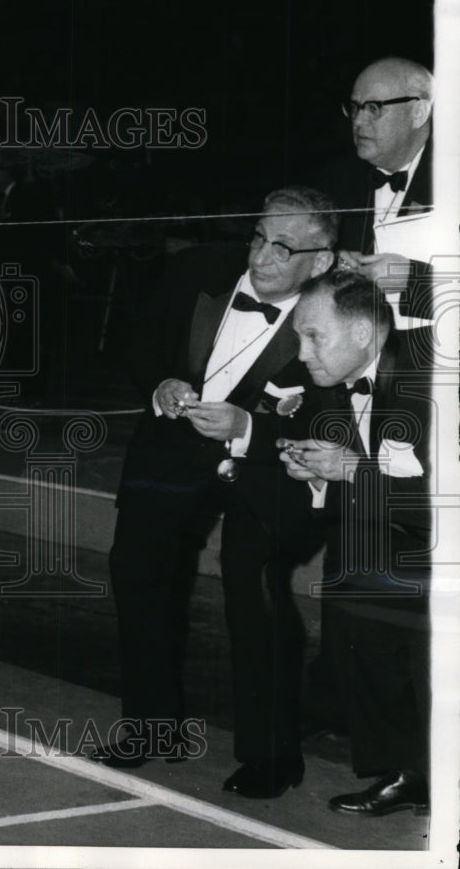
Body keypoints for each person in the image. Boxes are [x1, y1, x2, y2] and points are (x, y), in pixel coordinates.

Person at [92, 186, 335, 800]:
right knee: (137, 571)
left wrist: (249, 427)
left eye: (284, 247)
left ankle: (271, 755)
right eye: (259, 237)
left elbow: (332, 412)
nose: (263, 256)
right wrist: (162, 383)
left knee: (252, 589)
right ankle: (150, 727)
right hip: (172, 450)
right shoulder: (196, 268)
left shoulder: (337, 312)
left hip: (268, 465)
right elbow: (137, 342)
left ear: (323, 260)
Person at [279, 270, 432, 816]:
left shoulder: (434, 379)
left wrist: (351, 470)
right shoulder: (331, 386)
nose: (302, 354)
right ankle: (406, 772)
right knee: (359, 638)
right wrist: (316, 471)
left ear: (365, 332)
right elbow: (356, 476)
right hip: (379, 540)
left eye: (314, 336)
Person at [317, 57, 434, 320]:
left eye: (373, 108)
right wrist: (337, 266)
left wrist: (413, 281)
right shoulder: (337, 177)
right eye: (355, 107)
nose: (358, 121)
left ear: (418, 113)